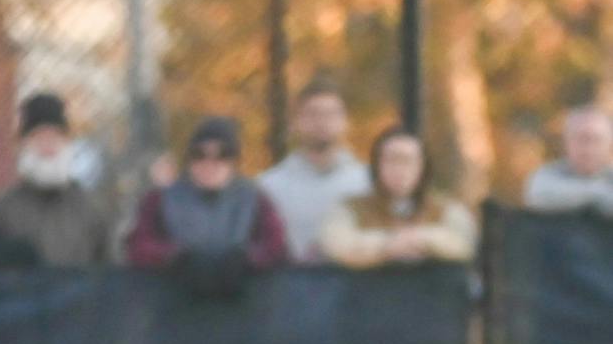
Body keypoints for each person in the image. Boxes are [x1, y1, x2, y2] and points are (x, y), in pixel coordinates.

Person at [126, 117, 288, 298]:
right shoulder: (158, 200)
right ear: (189, 160)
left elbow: (276, 246)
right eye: (199, 154)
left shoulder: (256, 199)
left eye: (223, 155)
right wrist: (174, 257)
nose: (210, 163)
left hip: (243, 307)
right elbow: (138, 246)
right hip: (173, 307)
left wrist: (246, 260)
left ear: (234, 161)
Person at [0, 93, 113, 266]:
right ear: (22, 144)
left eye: (55, 136)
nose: (48, 146)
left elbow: (109, 269)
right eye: (38, 136)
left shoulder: (91, 209)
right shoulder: (0, 210)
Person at [320, 127, 477, 267]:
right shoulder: (351, 208)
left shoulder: (445, 208)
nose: (399, 170)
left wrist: (422, 239)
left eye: (408, 161)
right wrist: (387, 245)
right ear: (376, 166)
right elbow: (337, 244)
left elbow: (465, 243)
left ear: (423, 167)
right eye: (391, 160)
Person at [256, 79, 372, 261]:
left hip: (356, 286)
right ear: (295, 122)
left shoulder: (368, 182)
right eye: (312, 114)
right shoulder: (269, 187)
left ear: (345, 121)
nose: (322, 122)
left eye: (331, 114)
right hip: (292, 285)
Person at [523, 106, 613, 217]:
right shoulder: (547, 175)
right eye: (581, 139)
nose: (588, 148)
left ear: (609, 144)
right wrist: (596, 193)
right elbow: (538, 195)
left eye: (596, 140)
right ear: (566, 142)